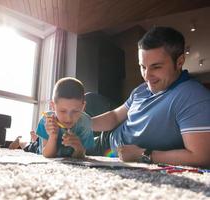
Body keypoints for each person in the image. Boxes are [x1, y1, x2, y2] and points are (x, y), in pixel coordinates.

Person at [88, 26, 210, 167]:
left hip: (109, 150)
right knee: (86, 101)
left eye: (156, 67)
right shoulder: (142, 89)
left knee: (66, 147)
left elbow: (202, 157)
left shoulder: (193, 96)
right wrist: (83, 124)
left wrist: (143, 154)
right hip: (109, 135)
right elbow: (115, 117)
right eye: (143, 67)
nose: (146, 76)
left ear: (180, 61)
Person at [36, 77, 94, 158]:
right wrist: (53, 136)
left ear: (83, 106)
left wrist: (79, 148)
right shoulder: (47, 120)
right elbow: (48, 155)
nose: (68, 118)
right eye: (63, 111)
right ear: (53, 106)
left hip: (68, 154)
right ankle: (21, 141)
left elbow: (81, 155)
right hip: (42, 148)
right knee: (29, 146)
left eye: (75, 111)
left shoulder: (85, 122)